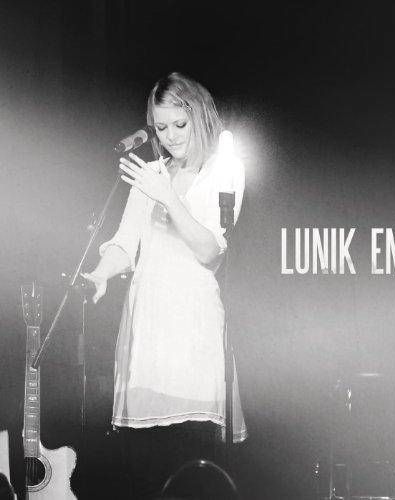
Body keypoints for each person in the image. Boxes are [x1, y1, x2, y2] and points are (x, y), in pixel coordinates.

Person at [82, 72, 247, 498]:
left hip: (193, 338)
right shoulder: (152, 174)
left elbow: (211, 251)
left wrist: (168, 195)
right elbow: (125, 242)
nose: (170, 137)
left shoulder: (223, 169)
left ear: (200, 116)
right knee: (144, 470)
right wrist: (101, 273)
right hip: (148, 337)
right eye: (160, 127)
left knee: (190, 468)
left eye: (179, 125)